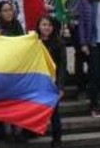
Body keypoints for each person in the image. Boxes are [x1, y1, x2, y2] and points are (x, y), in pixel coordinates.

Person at [37, 16, 66, 148]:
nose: (46, 27)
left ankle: (57, 140)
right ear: (38, 26)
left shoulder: (59, 43)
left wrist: (60, 86)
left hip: (52, 82)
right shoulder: (34, 42)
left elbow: (62, 66)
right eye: (44, 25)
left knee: (54, 113)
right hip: (36, 82)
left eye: (49, 25)